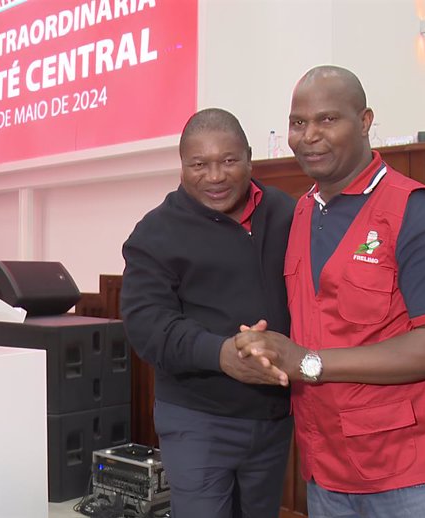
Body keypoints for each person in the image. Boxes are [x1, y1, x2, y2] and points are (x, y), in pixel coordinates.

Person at [235, 66, 425, 518]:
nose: (309, 136)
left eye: (328, 120)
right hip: (327, 471)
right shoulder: (301, 212)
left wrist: (306, 361)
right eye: (298, 123)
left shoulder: (413, 209)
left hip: (412, 474)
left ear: (365, 121)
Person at [120, 108, 296, 518]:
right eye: (199, 164)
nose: (215, 176)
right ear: (182, 166)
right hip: (197, 419)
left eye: (229, 161)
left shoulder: (287, 213)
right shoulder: (154, 233)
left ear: (250, 158)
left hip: (274, 417)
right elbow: (147, 325)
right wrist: (221, 354)